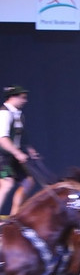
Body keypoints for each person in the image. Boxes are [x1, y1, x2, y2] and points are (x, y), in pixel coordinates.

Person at [0, 86, 39, 216]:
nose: (25, 100)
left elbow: (21, 135)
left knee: (28, 181)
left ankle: (14, 215)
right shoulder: (4, 113)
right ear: (13, 97)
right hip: (3, 156)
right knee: (7, 183)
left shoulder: (18, 114)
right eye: (22, 97)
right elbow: (3, 139)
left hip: (13, 155)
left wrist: (29, 149)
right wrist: (17, 153)